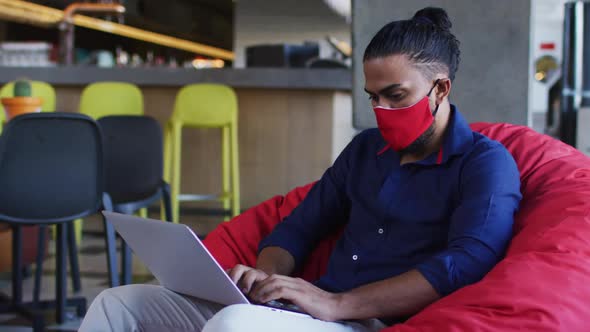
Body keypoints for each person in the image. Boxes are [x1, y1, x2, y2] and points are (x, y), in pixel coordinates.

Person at [79, 7, 521, 332]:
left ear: (440, 89)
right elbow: (297, 228)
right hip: (304, 312)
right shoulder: (366, 150)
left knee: (232, 325)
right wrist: (266, 278)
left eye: (397, 96)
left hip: (367, 321)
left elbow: (464, 264)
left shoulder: (485, 164)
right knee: (119, 303)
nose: (381, 110)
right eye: (372, 97)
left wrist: (337, 303)